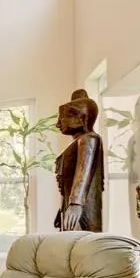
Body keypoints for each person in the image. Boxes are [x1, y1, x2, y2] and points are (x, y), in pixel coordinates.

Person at [54, 89, 103, 231]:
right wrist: (63, 207)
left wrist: (75, 203)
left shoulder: (88, 139)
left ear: (80, 117)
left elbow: (84, 172)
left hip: (81, 211)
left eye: (62, 118)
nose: (58, 124)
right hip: (72, 210)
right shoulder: (79, 141)